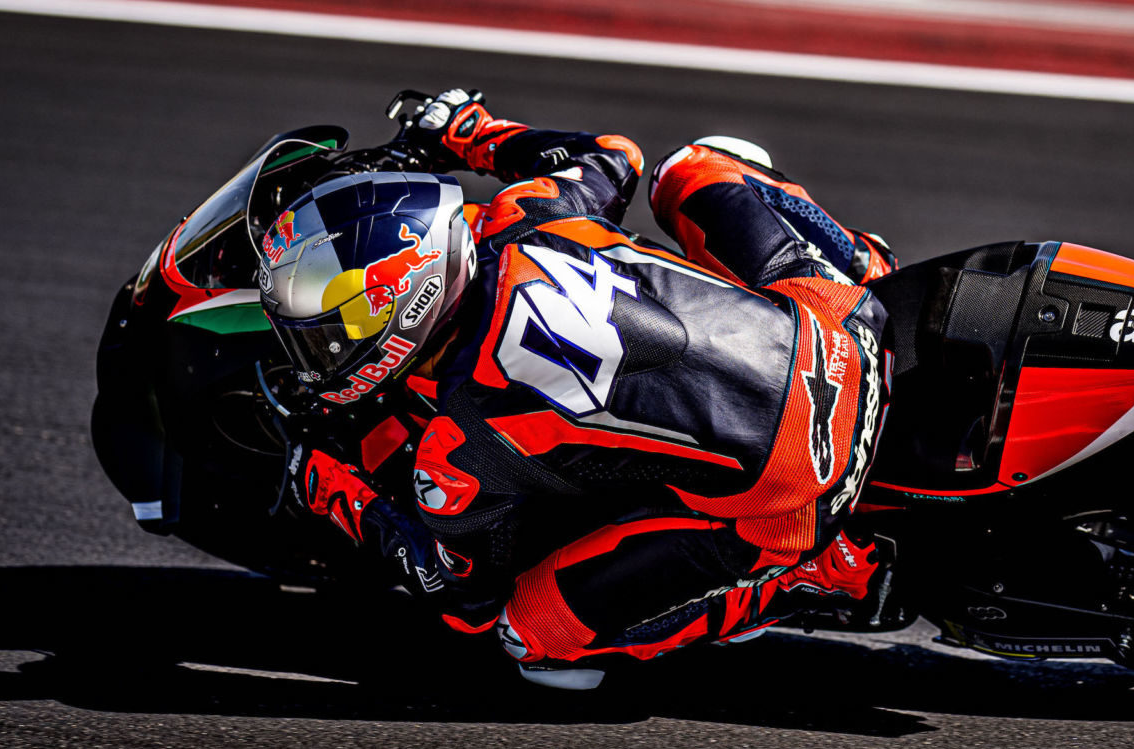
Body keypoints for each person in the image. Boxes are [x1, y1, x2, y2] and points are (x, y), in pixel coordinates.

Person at [260, 89, 908, 689]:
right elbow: (614, 155)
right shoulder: (524, 214)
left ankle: (816, 577)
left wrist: (331, 489)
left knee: (532, 640)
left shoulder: (457, 442)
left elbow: (459, 596)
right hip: (844, 322)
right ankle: (862, 264)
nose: (325, 353)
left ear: (405, 301)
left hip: (800, 498)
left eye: (334, 331)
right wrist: (468, 132)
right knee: (695, 166)